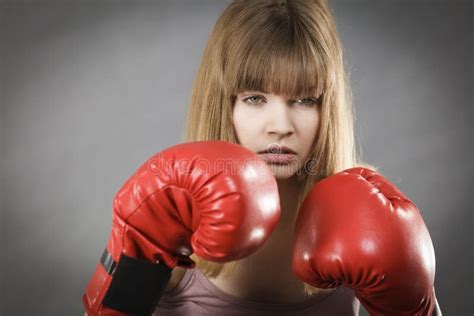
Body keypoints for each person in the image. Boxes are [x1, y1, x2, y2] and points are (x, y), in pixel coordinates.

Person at [84, 0, 442, 315]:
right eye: (255, 98)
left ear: (327, 108)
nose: (280, 126)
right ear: (226, 105)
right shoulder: (175, 211)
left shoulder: (366, 210)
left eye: (304, 100)